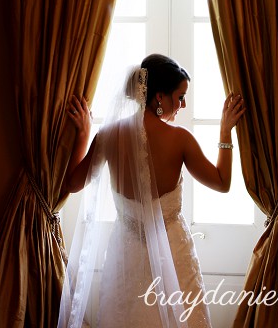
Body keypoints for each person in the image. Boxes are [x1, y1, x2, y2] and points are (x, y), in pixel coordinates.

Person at [58, 54, 245, 328]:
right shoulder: (180, 139)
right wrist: (225, 132)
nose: (183, 105)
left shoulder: (108, 136)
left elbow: (72, 184)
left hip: (126, 256)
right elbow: (222, 182)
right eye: (180, 97)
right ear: (159, 97)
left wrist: (84, 134)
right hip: (173, 252)